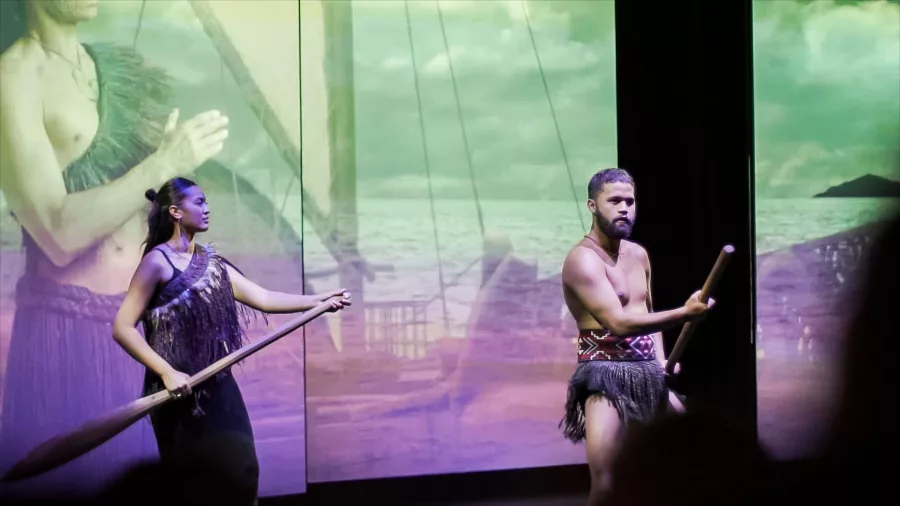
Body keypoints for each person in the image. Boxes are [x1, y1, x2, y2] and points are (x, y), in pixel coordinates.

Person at [0, 0, 229, 495]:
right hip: (68, 333)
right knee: (73, 488)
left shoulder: (102, 65)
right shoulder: (16, 75)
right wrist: (161, 162)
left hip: (141, 328)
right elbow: (56, 233)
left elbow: (132, 209)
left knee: (145, 489)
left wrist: (172, 178)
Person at [112, 177, 351, 505]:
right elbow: (123, 328)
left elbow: (264, 298)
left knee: (242, 472)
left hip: (217, 386)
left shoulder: (212, 264)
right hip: (176, 393)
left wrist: (320, 300)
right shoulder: (157, 262)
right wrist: (166, 372)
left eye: (206, 201)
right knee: (194, 488)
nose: (207, 208)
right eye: (199, 202)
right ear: (176, 212)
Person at [559, 168, 715, 504]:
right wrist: (685, 314)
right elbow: (618, 323)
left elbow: (647, 311)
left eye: (630, 201)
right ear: (592, 205)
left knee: (693, 464)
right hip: (605, 376)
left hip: (648, 371)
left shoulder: (639, 255)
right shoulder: (582, 260)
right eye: (614, 201)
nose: (624, 208)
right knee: (607, 482)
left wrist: (660, 361)